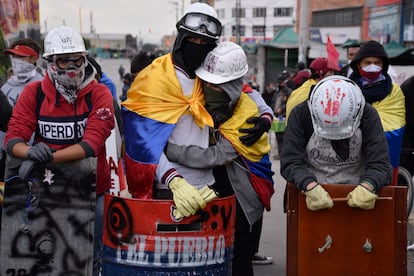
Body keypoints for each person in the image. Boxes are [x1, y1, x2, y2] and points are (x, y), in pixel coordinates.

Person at [3, 26, 115, 275]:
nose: (72, 67)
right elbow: (13, 138)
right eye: (64, 60)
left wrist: (49, 157)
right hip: (48, 190)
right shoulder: (34, 93)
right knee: (47, 259)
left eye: (77, 59)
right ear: (51, 62)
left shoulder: (100, 93)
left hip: (92, 190)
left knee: (91, 259)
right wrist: (30, 152)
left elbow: (92, 144)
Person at [164, 41, 274, 276]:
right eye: (207, 83)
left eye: (216, 86)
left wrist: (171, 151)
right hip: (214, 189)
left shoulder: (246, 111)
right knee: (212, 255)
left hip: (242, 195)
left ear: (233, 86)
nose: (208, 89)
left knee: (238, 257)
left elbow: (217, 155)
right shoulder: (197, 92)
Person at [281, 75, 393, 211]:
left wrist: (368, 185)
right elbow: (290, 161)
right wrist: (309, 185)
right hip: (311, 198)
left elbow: (380, 164)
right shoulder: (301, 114)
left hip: (357, 198)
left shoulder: (367, 115)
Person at [348, 40, 405, 186]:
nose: (372, 66)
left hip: (384, 153)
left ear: (384, 65)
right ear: (358, 64)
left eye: (377, 62)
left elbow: (396, 123)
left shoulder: (394, 91)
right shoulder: (348, 88)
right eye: (367, 62)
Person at [0, 38, 43, 182]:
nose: (16, 60)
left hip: (32, 155)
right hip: (5, 155)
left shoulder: (43, 87)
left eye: (20, 56)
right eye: (14, 56)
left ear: (33, 58)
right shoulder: (5, 88)